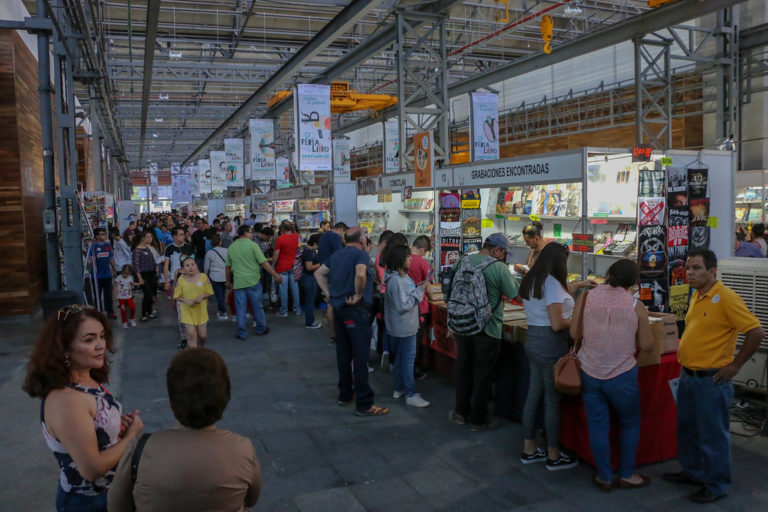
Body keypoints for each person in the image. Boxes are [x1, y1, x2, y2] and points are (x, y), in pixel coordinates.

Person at [663, 249, 765, 503]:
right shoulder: (698, 295)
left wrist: (734, 367)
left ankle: (717, 484)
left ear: (712, 271)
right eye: (688, 268)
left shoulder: (726, 298)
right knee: (687, 431)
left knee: (712, 436)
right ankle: (693, 472)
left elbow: (756, 332)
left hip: (711, 381)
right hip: (688, 377)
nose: (690, 273)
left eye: (697, 268)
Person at [108, 348, 261, 511]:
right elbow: (251, 499)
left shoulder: (140, 451)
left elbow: (117, 507)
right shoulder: (242, 449)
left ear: (171, 404)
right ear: (225, 401)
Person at [23, 305, 143, 512]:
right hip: (88, 503)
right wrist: (131, 437)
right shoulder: (66, 401)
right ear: (64, 348)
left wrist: (114, 428)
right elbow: (92, 468)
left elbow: (94, 426)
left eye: (102, 336)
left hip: (110, 494)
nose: (100, 345)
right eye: (89, 339)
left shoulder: (87, 378)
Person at [569, 259, 654, 490]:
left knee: (597, 426)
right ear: (633, 282)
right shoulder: (635, 305)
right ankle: (626, 474)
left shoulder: (586, 297)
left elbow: (575, 331)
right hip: (622, 373)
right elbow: (647, 345)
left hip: (589, 370)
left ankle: (604, 476)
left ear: (608, 274)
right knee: (630, 423)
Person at [315, 227, 389, 417]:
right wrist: (357, 294)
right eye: (365, 236)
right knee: (360, 357)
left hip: (339, 309)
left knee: (344, 355)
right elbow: (361, 274)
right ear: (362, 239)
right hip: (355, 311)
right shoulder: (360, 255)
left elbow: (319, 273)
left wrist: (329, 292)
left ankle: (345, 393)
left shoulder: (337, 255)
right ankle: (364, 403)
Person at [449, 233, 519, 431]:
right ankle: (478, 420)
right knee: (483, 374)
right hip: (488, 329)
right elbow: (516, 295)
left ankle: (460, 412)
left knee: (463, 369)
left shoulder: (463, 261)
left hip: (462, 324)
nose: (504, 256)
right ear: (496, 249)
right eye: (504, 252)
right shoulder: (498, 268)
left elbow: (450, 285)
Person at [519, 242, 577, 470]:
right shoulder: (552, 283)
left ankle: (529, 448)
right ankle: (554, 453)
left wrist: (577, 285)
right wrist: (579, 321)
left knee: (533, 396)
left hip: (533, 339)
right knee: (552, 400)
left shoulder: (534, 279)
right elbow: (557, 323)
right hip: (550, 343)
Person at [383, 244, 430, 407]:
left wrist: (416, 288)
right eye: (407, 257)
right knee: (408, 360)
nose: (411, 259)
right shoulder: (397, 280)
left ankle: (400, 387)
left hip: (401, 325)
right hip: (405, 326)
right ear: (400, 259)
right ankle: (410, 393)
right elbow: (403, 305)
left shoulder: (398, 277)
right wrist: (420, 291)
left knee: (402, 359)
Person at [226, 224, 283, 340]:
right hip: (253, 281)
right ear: (246, 233)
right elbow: (264, 263)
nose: (252, 235)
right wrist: (275, 274)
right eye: (251, 232)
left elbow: (227, 267)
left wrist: (227, 281)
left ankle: (241, 332)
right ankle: (261, 329)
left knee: (241, 308)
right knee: (257, 306)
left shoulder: (232, 247)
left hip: (239, 282)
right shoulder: (253, 246)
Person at [173, 256, 213, 348]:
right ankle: (193, 356)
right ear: (183, 269)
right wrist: (185, 300)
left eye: (192, 265)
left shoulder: (203, 277)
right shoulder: (181, 280)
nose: (190, 267)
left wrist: (202, 296)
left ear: (196, 266)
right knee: (191, 335)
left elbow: (210, 292)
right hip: (187, 310)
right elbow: (177, 295)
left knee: (202, 336)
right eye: (187, 266)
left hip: (201, 310)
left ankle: (200, 346)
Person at [408, 235, 433, 380]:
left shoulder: (402, 258)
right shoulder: (422, 263)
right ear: (423, 249)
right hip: (420, 306)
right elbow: (428, 287)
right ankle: (412, 371)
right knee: (416, 341)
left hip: (405, 305)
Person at [318, 222, 347, 342]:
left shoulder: (324, 236)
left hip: (326, 272)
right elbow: (340, 256)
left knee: (330, 303)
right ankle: (335, 334)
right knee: (332, 304)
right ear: (341, 229)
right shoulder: (335, 237)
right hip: (333, 274)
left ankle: (333, 334)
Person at [273, 221, 301, 317]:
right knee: (295, 289)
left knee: (283, 289)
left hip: (282, 266)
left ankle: (284, 311)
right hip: (294, 266)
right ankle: (297, 309)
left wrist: (272, 265)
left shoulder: (280, 239)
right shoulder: (296, 236)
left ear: (282, 229)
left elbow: (276, 254)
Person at [89, 228, 117, 319]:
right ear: (96, 236)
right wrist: (91, 260)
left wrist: (114, 269)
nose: (104, 235)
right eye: (101, 234)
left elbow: (111, 258)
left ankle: (110, 311)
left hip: (107, 274)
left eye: (104, 233)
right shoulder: (93, 246)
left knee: (108, 294)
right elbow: (89, 259)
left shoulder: (107, 245)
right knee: (97, 295)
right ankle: (98, 312)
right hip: (96, 275)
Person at [132, 231, 158, 322]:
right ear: (143, 238)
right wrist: (139, 278)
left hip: (152, 274)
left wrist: (156, 267)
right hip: (143, 275)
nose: (150, 239)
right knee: (147, 294)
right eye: (148, 237)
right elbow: (136, 265)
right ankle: (143, 314)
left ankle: (149, 312)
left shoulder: (148, 248)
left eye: (150, 237)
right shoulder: (136, 251)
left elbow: (152, 260)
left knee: (151, 295)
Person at [205, 234, 230, 320]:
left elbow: (207, 266)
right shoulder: (226, 251)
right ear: (220, 242)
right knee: (223, 293)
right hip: (225, 275)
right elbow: (231, 263)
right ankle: (220, 309)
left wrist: (205, 275)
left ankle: (223, 311)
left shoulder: (209, 253)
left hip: (215, 276)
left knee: (219, 294)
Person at [301, 233, 322, 329]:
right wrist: (320, 264)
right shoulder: (309, 252)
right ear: (314, 243)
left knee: (310, 301)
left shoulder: (309, 251)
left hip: (310, 278)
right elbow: (309, 267)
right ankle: (309, 322)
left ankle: (311, 320)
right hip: (309, 278)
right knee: (310, 302)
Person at [114, 265, 137, 329]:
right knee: (123, 310)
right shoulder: (118, 278)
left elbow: (132, 284)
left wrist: (138, 283)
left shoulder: (130, 277)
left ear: (129, 273)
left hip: (129, 296)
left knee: (132, 307)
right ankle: (124, 322)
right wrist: (115, 296)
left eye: (127, 273)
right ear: (122, 271)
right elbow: (115, 287)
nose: (125, 275)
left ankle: (131, 319)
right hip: (121, 298)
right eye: (124, 273)